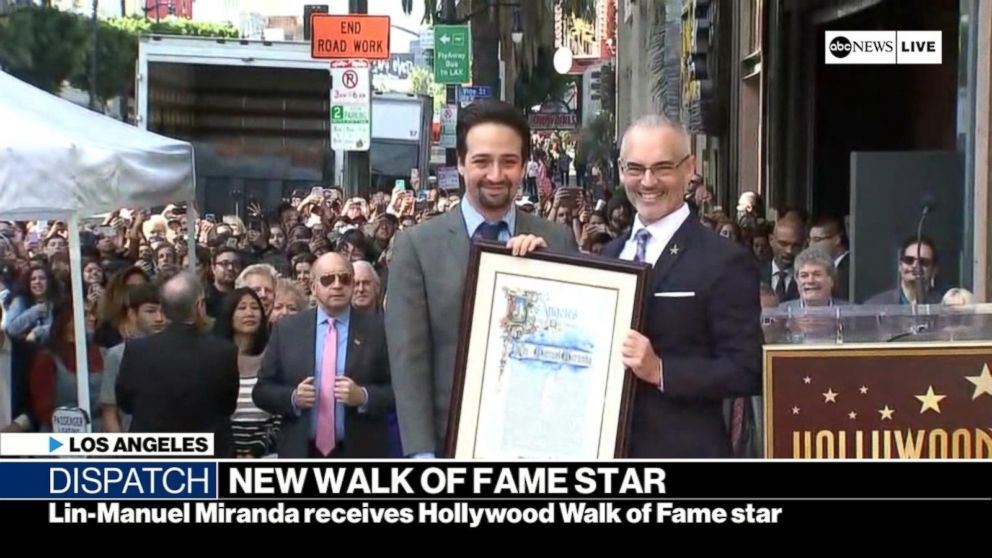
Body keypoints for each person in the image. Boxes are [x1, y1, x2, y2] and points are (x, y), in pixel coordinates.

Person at [385, 99, 578, 458]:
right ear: (460, 163)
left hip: (537, 442)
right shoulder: (416, 246)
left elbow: (572, 344)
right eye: (481, 161)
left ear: (524, 166)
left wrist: (543, 273)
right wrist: (422, 454)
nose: (495, 174)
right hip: (450, 444)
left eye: (508, 161)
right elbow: (408, 358)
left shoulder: (557, 239)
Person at [601, 115, 763, 457]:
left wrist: (660, 370)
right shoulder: (610, 254)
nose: (648, 181)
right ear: (620, 170)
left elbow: (748, 369)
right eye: (636, 168)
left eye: (662, 168)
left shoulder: (724, 260)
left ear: (689, 169)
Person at [254, 253, 394, 458]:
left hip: (361, 452)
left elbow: (398, 390)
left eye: (344, 279)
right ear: (313, 287)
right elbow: (262, 390)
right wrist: (293, 398)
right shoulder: (287, 330)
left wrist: (364, 396)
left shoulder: (379, 329)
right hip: (300, 451)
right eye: (328, 279)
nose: (337, 285)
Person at [116, 272, 239, 457]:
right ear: (199, 307)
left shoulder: (137, 350)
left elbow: (125, 402)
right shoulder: (223, 351)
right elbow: (228, 405)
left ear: (164, 308)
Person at [213, 288, 280, 458]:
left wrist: (256, 450)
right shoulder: (214, 358)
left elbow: (281, 414)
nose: (249, 313)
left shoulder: (273, 356)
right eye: (242, 308)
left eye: (255, 307)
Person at [99, 283, 165, 432]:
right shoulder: (116, 355)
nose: (159, 318)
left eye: (164, 311)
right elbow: (110, 411)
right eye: (150, 311)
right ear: (132, 314)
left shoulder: (180, 351)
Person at [864, 236, 942, 305]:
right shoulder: (876, 305)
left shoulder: (943, 306)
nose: (915, 265)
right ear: (900, 266)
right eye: (909, 260)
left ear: (934, 270)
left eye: (923, 262)